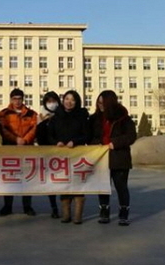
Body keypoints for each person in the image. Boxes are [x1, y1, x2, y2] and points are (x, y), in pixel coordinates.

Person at [88, 90, 136, 226]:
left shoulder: (124, 118)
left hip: (119, 157)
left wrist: (114, 143)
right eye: (99, 102)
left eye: (103, 103)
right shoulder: (94, 118)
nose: (100, 105)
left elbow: (131, 136)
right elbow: (89, 135)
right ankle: (104, 211)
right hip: (101, 157)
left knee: (121, 187)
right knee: (103, 186)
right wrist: (95, 143)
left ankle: (124, 212)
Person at [47, 90, 89, 224]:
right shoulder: (56, 116)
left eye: (72, 100)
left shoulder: (82, 116)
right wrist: (56, 142)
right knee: (64, 183)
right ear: (63, 100)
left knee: (77, 184)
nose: (69, 102)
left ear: (76, 102)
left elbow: (86, 134)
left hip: (77, 154)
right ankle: (66, 214)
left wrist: (75, 142)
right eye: (67, 99)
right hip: (61, 157)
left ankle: (78, 215)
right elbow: (49, 135)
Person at [0, 88, 38, 216]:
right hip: (10, 149)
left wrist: (25, 140)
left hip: (27, 149)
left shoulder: (31, 114)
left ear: (23, 99)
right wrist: (15, 139)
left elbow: (34, 128)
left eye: (19, 99)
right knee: (9, 178)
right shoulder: (4, 114)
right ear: (11, 99)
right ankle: (7, 205)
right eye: (14, 99)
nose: (17, 101)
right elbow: (2, 129)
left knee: (27, 178)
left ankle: (27, 206)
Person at [35, 91, 61, 219]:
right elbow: (39, 137)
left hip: (62, 152)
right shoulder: (40, 116)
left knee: (63, 181)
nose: (52, 104)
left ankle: (65, 205)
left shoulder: (61, 114)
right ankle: (54, 207)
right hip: (48, 153)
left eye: (54, 101)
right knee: (52, 182)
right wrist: (42, 122)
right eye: (49, 101)